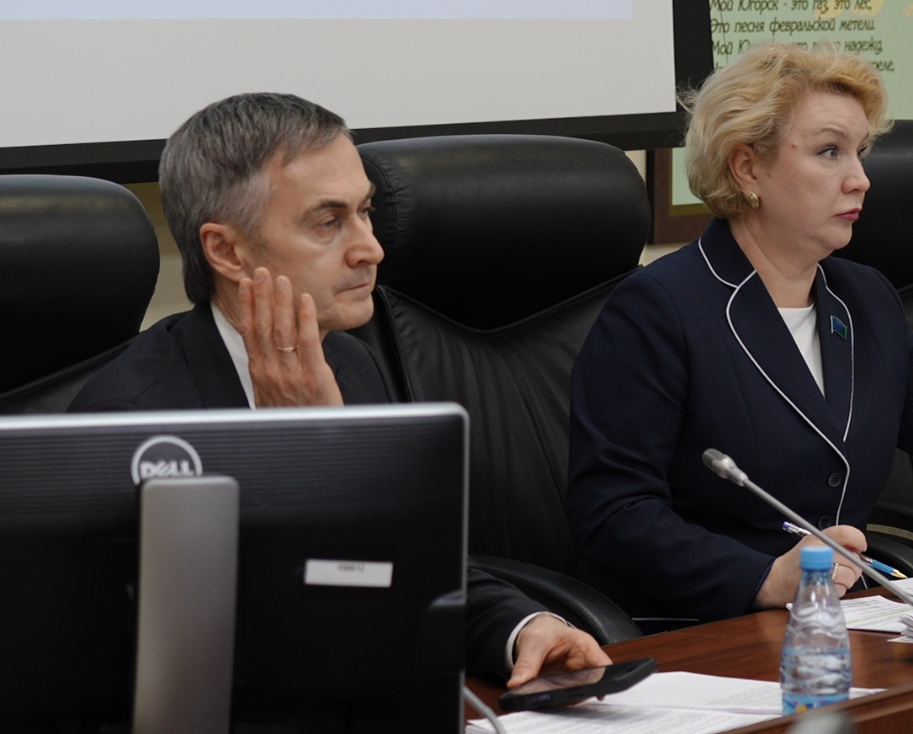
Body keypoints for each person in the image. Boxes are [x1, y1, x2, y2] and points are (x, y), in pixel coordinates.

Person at [71, 92, 608, 686]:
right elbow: (196, 654)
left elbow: (418, 556)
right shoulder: (135, 418)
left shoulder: (349, 363)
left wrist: (520, 627)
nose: (370, 248)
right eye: (328, 222)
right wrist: (312, 456)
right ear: (227, 251)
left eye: (365, 211)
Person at [566, 43, 913, 623]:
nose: (861, 179)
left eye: (860, 153)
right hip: (702, 626)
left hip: (839, 618)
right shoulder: (660, 308)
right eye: (829, 152)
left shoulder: (864, 297)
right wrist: (763, 578)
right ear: (747, 168)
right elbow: (613, 515)